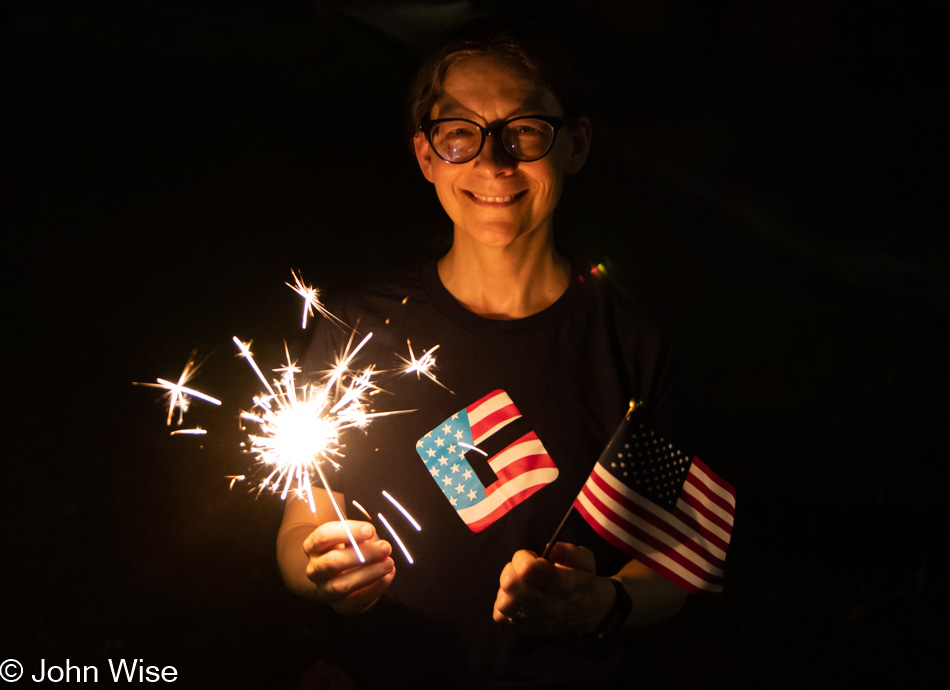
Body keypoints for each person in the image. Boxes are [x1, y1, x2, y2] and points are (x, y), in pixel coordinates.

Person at [277, 16, 688, 688]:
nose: (494, 163)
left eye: (525, 130)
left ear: (575, 144)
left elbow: (665, 559)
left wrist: (602, 603)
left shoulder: (633, 343)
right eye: (461, 132)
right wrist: (322, 568)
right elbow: (304, 526)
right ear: (426, 155)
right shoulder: (359, 329)